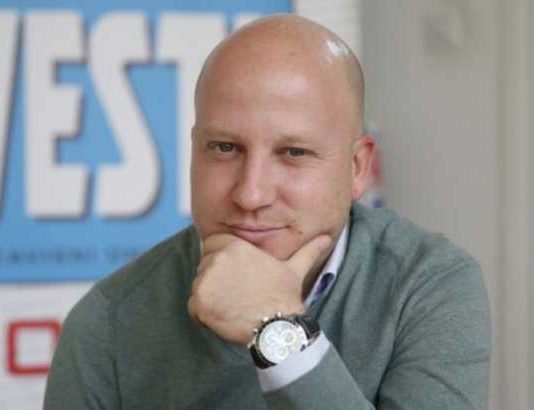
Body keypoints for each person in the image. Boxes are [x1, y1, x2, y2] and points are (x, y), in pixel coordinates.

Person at [44, 14, 491, 410]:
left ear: (357, 168)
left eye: (294, 152)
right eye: (224, 148)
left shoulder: (427, 284)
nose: (251, 194)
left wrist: (280, 333)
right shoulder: (107, 322)